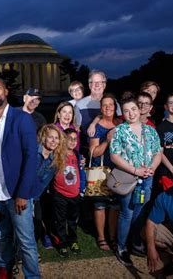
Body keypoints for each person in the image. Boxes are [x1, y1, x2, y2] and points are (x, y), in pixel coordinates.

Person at [0, 77, 40, 278]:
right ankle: (5, 270)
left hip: (17, 194)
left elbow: (32, 158)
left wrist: (23, 193)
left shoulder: (21, 118)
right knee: (1, 237)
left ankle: (32, 276)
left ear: (5, 91)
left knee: (26, 241)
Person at [109, 95, 162, 266]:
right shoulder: (120, 131)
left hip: (147, 179)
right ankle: (122, 248)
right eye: (126, 111)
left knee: (140, 212)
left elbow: (157, 153)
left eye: (133, 109)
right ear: (122, 114)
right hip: (128, 178)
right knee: (127, 213)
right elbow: (114, 156)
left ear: (140, 110)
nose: (130, 113)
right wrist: (134, 170)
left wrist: (152, 167)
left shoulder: (150, 131)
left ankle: (135, 243)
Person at [88, 93, 121, 252]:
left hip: (118, 170)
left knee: (115, 206)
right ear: (101, 108)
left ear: (115, 107)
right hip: (100, 171)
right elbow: (93, 153)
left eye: (111, 105)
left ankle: (113, 237)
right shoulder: (96, 127)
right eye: (105, 105)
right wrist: (107, 140)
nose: (108, 108)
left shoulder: (120, 124)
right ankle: (101, 237)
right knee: (100, 205)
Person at [52, 128, 85, 258]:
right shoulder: (57, 154)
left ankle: (73, 241)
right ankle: (62, 243)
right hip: (60, 194)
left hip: (74, 195)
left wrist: (81, 189)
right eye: (69, 138)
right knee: (60, 221)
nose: (72, 141)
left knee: (72, 220)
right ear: (63, 140)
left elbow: (81, 172)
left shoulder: (77, 155)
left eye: (74, 139)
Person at [35, 124, 67, 250]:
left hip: (37, 196)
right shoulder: (33, 152)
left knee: (37, 225)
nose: (54, 141)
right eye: (50, 137)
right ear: (44, 138)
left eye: (56, 138)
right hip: (23, 194)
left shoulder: (56, 160)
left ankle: (29, 251)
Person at [75, 70, 121, 151]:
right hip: (89, 149)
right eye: (93, 82)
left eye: (100, 82)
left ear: (104, 85)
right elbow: (76, 129)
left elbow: (121, 124)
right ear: (89, 85)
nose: (96, 85)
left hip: (113, 148)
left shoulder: (114, 103)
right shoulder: (80, 105)